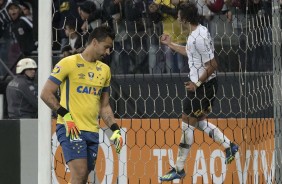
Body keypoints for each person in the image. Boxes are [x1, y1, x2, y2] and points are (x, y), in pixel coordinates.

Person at [159, 2, 238, 181]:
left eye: (179, 15)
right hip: (200, 86)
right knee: (197, 121)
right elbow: (191, 53)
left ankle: (179, 168)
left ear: (184, 18)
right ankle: (229, 146)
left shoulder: (198, 37)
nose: (177, 18)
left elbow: (213, 65)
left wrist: (196, 83)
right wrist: (170, 44)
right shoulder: (198, 32)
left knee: (187, 122)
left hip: (203, 87)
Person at [40, 26, 123, 184]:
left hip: (91, 130)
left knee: (83, 178)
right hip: (71, 127)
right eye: (106, 47)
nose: (108, 52)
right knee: (80, 173)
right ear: (94, 42)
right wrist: (66, 115)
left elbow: (104, 106)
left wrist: (115, 129)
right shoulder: (68, 63)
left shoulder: (105, 70)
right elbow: (45, 93)